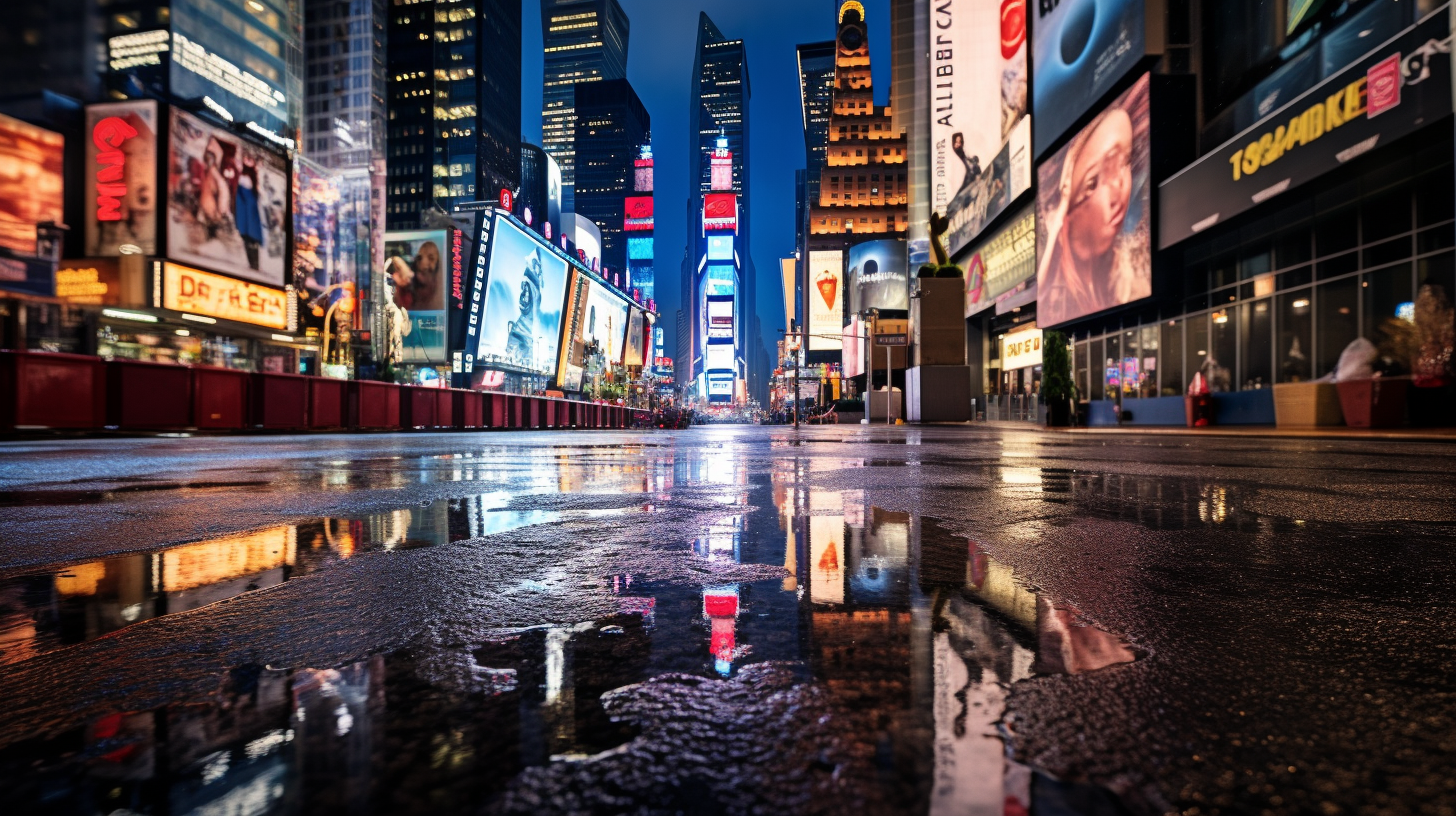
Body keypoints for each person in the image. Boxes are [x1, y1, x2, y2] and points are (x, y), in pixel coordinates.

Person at [1036, 101, 1151, 327]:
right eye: (1093, 182)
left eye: (1125, 162)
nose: (1119, 188)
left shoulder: (1133, 274)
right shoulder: (1054, 292)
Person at [951, 132, 980, 198]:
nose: (958, 144)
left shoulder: (962, 151)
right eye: (956, 142)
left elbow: (967, 157)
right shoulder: (954, 153)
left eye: (960, 141)